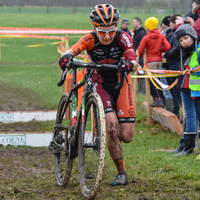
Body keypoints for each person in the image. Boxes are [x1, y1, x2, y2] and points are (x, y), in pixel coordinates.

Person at [59, 4, 138, 186]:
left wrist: (130, 64)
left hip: (122, 84)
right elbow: (75, 48)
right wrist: (66, 56)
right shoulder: (90, 38)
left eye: (111, 30)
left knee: (126, 136)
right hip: (100, 83)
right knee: (111, 129)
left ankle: (120, 167)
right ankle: (121, 173)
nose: (108, 36)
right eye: (103, 31)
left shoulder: (123, 37)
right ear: (95, 28)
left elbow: (134, 61)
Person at [170, 24, 199, 156]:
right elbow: (170, 55)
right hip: (184, 83)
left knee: (193, 114)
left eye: (186, 38)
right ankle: (185, 145)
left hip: (195, 84)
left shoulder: (198, 50)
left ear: (193, 36)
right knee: (188, 114)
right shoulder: (182, 50)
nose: (184, 42)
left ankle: (188, 147)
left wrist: (194, 72)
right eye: (181, 40)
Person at [138, 16, 171, 107]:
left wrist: (145, 55)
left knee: (153, 81)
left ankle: (158, 99)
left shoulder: (146, 37)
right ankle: (159, 99)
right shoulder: (160, 35)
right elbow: (168, 47)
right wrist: (160, 50)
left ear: (148, 27)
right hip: (159, 61)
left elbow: (140, 50)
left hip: (150, 61)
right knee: (158, 80)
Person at [132, 17, 146, 95]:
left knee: (141, 72)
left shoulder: (142, 33)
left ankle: (143, 90)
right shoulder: (136, 32)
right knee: (137, 71)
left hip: (140, 55)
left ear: (138, 22)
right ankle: (139, 88)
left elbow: (142, 45)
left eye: (134, 22)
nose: (132, 23)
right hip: (136, 55)